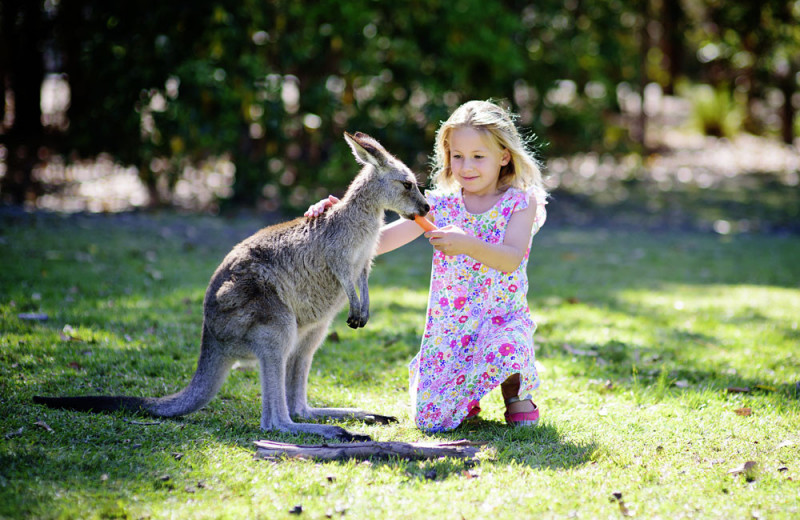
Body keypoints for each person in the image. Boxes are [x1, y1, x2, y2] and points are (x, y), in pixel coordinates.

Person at [305, 100, 548, 432]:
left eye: (479, 156)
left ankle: (514, 393)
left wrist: (469, 245)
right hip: (451, 331)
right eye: (457, 156)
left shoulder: (519, 202)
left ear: (504, 156)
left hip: (500, 319)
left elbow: (510, 258)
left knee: (507, 348)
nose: (466, 166)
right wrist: (341, 219)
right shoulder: (440, 205)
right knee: (431, 421)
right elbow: (381, 242)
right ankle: (464, 394)